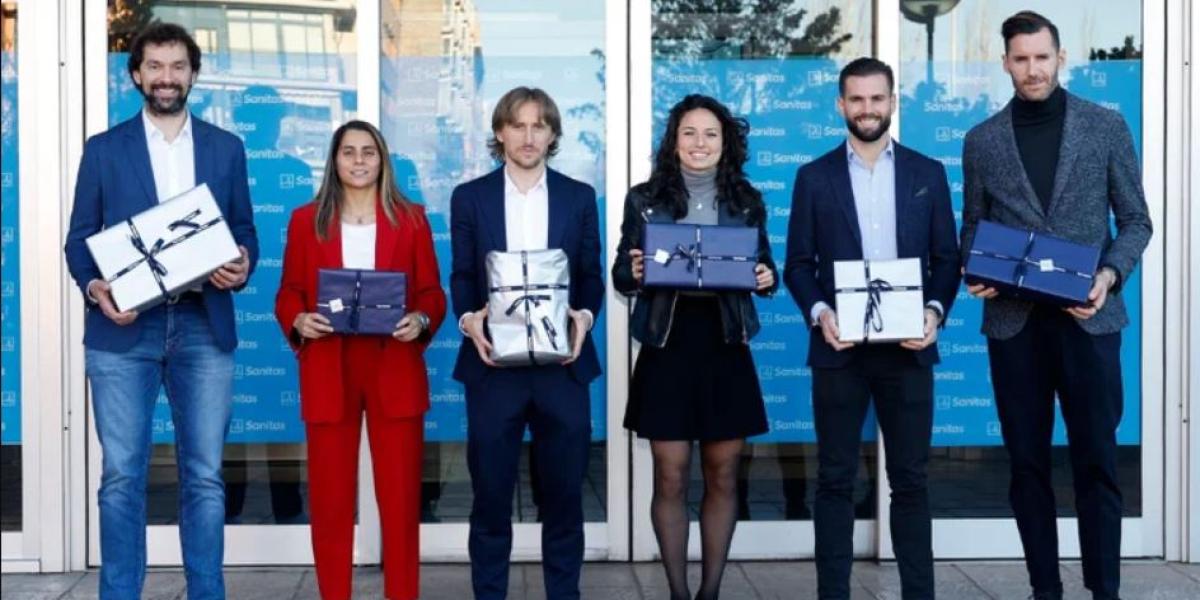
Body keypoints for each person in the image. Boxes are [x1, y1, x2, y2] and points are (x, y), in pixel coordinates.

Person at [960, 12, 1152, 600]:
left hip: (1089, 322)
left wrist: (1109, 274)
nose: (1032, 69)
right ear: (1006, 63)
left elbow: (1137, 221)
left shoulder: (1104, 127)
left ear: (1060, 58)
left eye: (1042, 57)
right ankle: (1045, 588)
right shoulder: (982, 140)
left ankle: (1105, 591)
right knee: (1026, 466)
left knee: (1097, 463)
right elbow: (972, 228)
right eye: (1021, 59)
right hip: (1015, 327)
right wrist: (977, 269)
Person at [63, 23, 258, 599]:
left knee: (204, 477)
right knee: (122, 476)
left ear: (193, 73)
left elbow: (244, 231)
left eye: (177, 66)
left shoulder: (226, 148)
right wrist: (97, 288)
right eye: (155, 66)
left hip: (203, 323)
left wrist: (243, 261)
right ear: (136, 75)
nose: (166, 77)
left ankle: (206, 593)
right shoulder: (104, 149)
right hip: (123, 332)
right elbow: (80, 240)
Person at [784, 57, 960, 600]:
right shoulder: (813, 177)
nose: (867, 109)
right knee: (835, 480)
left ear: (892, 102)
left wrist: (933, 313)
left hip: (908, 350)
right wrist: (820, 314)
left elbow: (947, 260)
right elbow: (798, 264)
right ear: (841, 105)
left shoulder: (926, 173)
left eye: (876, 98)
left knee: (910, 482)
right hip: (840, 350)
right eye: (856, 99)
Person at [613, 94, 776, 600]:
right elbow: (622, 271)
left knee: (723, 474)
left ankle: (710, 593)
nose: (699, 143)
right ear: (673, 141)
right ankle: (678, 594)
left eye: (710, 134)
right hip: (668, 342)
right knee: (671, 475)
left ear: (725, 143)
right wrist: (633, 271)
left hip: (725, 343)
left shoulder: (746, 200)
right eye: (689, 133)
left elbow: (764, 269)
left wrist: (766, 278)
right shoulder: (643, 198)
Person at [274, 120, 446, 600]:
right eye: (348, 152)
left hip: (393, 363)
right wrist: (298, 319)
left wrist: (422, 320)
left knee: (399, 502)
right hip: (330, 364)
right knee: (330, 502)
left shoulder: (411, 219)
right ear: (333, 161)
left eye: (368, 152)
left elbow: (433, 292)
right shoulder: (306, 220)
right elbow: (288, 290)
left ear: (382, 160)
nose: (358, 161)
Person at [450, 86, 603, 600]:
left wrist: (583, 318)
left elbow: (589, 276)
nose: (529, 136)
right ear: (499, 132)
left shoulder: (579, 197)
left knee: (564, 497)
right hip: (493, 367)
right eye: (518, 125)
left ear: (553, 133)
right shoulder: (469, 197)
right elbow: (463, 276)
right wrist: (470, 320)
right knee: (491, 498)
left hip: (563, 366)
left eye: (539, 125)